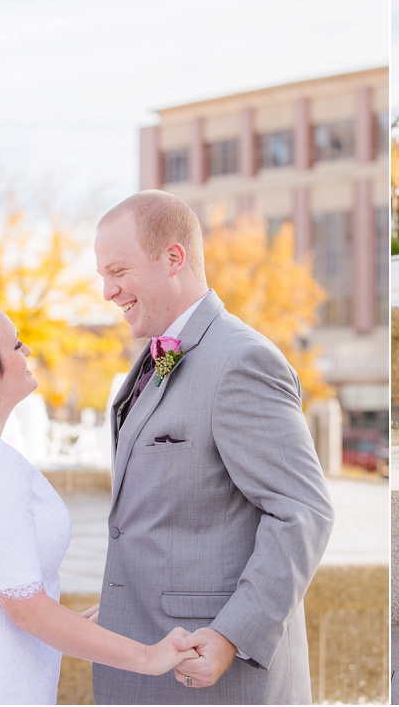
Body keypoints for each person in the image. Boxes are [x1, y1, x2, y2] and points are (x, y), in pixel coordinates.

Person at [0, 302, 195, 705]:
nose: (28, 353)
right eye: (16, 345)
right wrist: (150, 657)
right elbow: (24, 608)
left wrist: (76, 625)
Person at [91, 190, 334, 704]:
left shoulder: (242, 361)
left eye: (119, 271)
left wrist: (230, 635)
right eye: (102, 276)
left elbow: (303, 511)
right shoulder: (153, 362)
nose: (108, 292)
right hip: (149, 662)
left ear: (173, 258)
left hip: (215, 680)